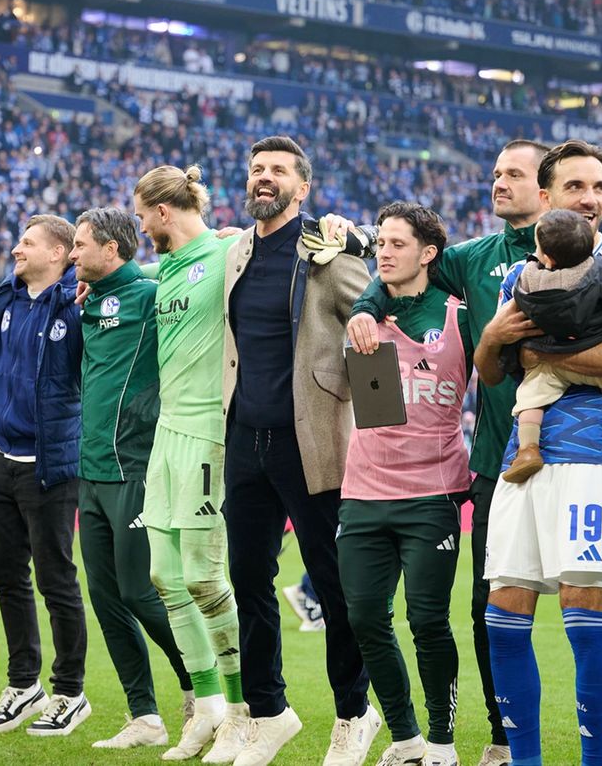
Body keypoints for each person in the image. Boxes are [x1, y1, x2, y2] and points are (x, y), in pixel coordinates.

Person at [351, 139, 556, 766]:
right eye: (494, 173)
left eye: (512, 175)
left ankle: (496, 738)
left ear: (544, 192)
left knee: (586, 608)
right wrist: (364, 304)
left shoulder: (577, 256)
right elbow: (396, 275)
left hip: (550, 454)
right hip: (482, 465)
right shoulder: (468, 260)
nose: (498, 183)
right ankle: (478, 739)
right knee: (479, 611)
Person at [473, 140, 602, 766]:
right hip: (520, 463)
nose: (592, 199)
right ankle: (525, 761)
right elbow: (493, 369)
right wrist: (494, 336)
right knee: (503, 610)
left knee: (583, 608)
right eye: (577, 187)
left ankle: (595, 761)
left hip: (588, 458)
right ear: (546, 198)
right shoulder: (525, 271)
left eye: (600, 187)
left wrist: (539, 354)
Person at [219, 135, 376, 766]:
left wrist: (383, 425)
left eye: (277, 171)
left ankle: (353, 715)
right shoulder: (236, 251)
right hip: (243, 440)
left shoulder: (327, 251)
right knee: (248, 580)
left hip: (310, 443)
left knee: (335, 586)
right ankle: (269, 712)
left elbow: (373, 324)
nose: (264, 178)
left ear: (301, 187)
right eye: (257, 169)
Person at [341, 203, 470, 766]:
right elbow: (373, 409)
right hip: (364, 490)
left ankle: (442, 742)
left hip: (433, 493)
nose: (385, 253)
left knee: (427, 619)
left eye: (398, 244)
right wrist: (366, 310)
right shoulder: (362, 320)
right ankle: (406, 738)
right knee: (365, 617)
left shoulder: (460, 315)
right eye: (381, 245)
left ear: (428, 254)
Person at [69, 206, 195, 749]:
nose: (73, 254)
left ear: (113, 249)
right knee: (104, 595)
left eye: (81, 244)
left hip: (136, 466)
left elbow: (178, 269)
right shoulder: (87, 299)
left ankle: (202, 689)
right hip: (91, 470)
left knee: (142, 592)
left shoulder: (148, 291)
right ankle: (143, 715)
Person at [132, 165, 244, 763]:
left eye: (142, 213)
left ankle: (245, 710)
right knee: (165, 578)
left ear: (163, 211)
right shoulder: (164, 268)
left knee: (205, 577)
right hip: (166, 435)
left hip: (209, 433)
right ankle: (207, 709)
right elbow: (124, 276)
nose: (140, 223)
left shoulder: (226, 251)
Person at [0, 214, 90, 737]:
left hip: (52, 462)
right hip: (1, 457)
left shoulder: (76, 302)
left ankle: (70, 692)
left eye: (27, 243)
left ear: (61, 252)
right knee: (6, 578)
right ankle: (24, 685)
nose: (16, 249)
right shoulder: (7, 300)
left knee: (57, 581)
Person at [500, 209, 602, 483]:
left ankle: (528, 450)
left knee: (530, 398)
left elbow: (517, 317)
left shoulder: (527, 279)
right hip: (595, 353)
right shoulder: (600, 272)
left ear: (547, 256)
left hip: (549, 359)